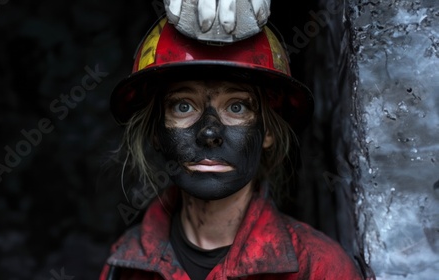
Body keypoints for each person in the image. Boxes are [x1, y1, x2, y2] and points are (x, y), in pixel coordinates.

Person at [100, 17, 363, 280]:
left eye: (237, 107)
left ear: (267, 132)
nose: (209, 133)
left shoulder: (320, 268)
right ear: (156, 133)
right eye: (183, 106)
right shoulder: (125, 266)